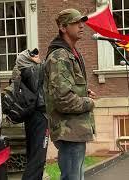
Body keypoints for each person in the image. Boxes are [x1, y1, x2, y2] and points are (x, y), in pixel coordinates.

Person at [43, 9, 96, 180]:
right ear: (63, 27)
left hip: (75, 130)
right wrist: (88, 102)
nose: (81, 26)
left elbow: (66, 88)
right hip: (69, 131)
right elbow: (63, 99)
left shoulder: (71, 52)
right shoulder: (60, 55)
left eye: (82, 22)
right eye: (75, 22)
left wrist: (83, 92)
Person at [11, 49, 49, 180]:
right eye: (33, 55)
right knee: (38, 158)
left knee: (32, 154)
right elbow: (48, 66)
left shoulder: (19, 72)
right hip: (40, 116)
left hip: (30, 116)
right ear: (26, 60)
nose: (37, 56)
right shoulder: (33, 71)